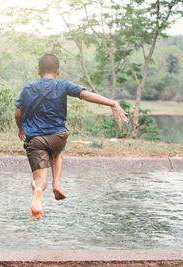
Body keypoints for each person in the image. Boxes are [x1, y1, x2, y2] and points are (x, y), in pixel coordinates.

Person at [14, 54, 129, 220]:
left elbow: (18, 113)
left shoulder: (29, 88)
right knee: (57, 152)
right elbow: (86, 95)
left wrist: (21, 129)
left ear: (38, 71)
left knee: (39, 181)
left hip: (35, 140)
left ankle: (38, 190)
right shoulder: (63, 85)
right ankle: (57, 184)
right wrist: (113, 103)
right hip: (58, 137)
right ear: (58, 71)